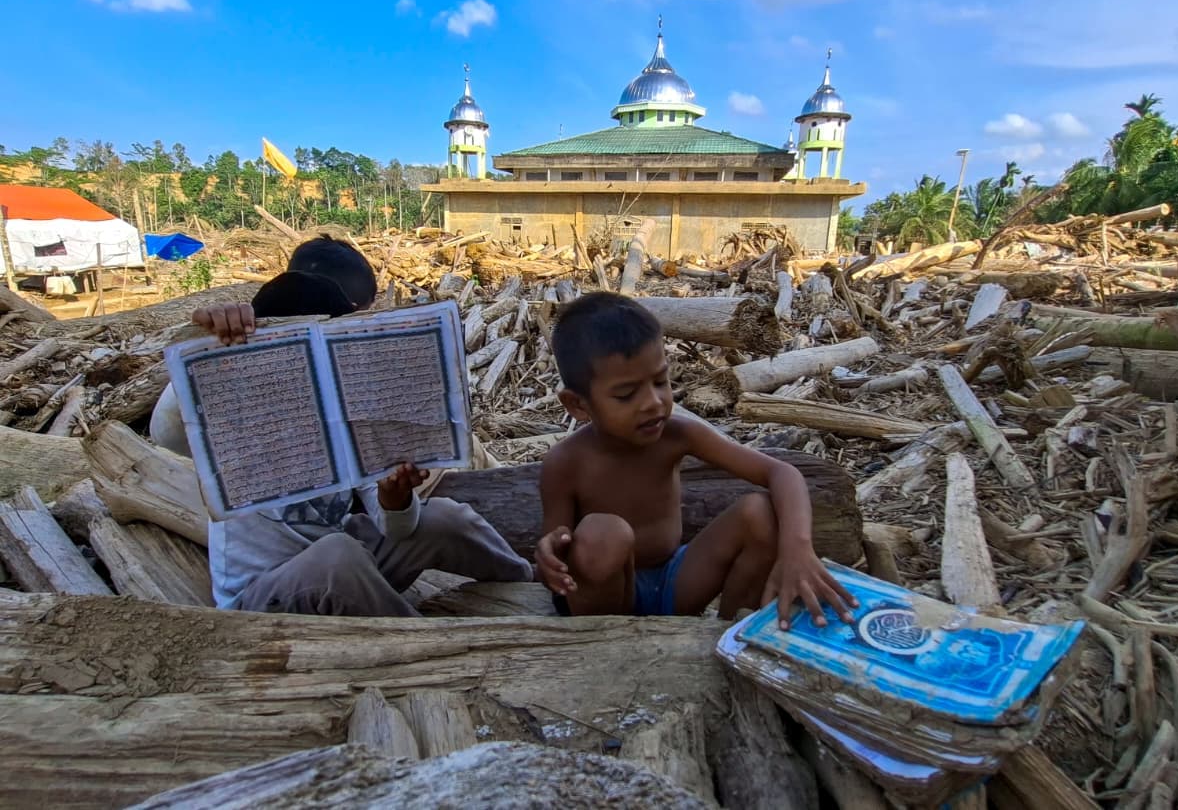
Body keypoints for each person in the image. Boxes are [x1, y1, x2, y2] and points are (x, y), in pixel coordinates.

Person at [150, 235, 532, 616]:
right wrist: (211, 347)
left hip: (347, 568)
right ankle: (434, 647)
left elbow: (395, 525)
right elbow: (164, 433)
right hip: (264, 598)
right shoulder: (235, 411)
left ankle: (530, 587)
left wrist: (395, 499)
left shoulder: (349, 412)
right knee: (339, 555)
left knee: (443, 516)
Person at [535, 292, 855, 630]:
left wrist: (798, 549)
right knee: (604, 533)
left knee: (759, 513)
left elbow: (781, 473)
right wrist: (550, 556)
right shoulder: (565, 463)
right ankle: (612, 645)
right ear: (578, 405)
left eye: (660, 381)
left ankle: (729, 633)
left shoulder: (678, 435)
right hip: (604, 603)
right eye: (627, 395)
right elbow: (555, 562)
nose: (653, 403)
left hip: (674, 581)